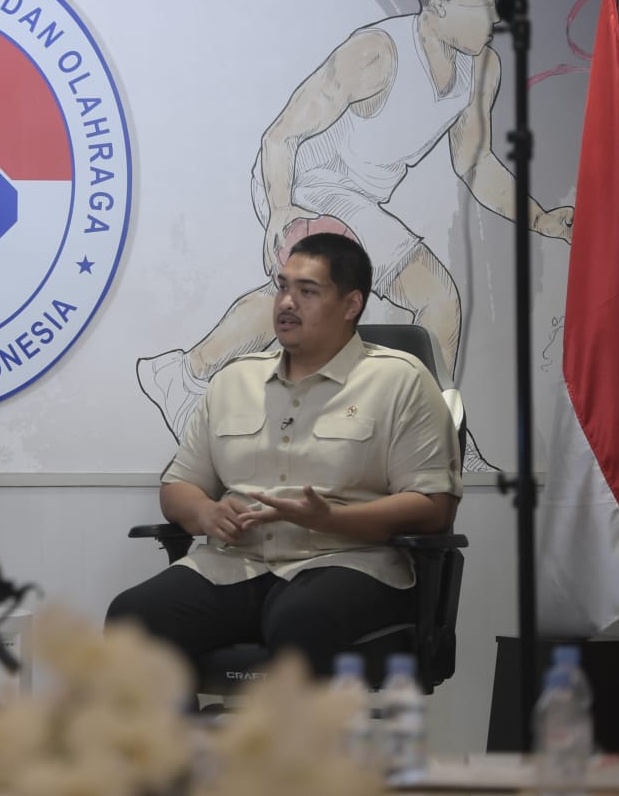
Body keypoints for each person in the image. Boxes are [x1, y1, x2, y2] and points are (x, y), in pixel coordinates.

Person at [136, 0, 573, 471]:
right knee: (436, 297)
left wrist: (541, 219)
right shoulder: (376, 53)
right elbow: (281, 137)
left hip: (357, 196)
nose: (496, 16)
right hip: (301, 182)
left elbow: (475, 162)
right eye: (483, 4)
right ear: (438, 7)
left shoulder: (482, 68)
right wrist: (280, 212)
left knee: (308, 298)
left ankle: (182, 371)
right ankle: (438, 442)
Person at [109, 233, 462, 683]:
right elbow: (178, 489)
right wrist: (206, 512)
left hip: (348, 562)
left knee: (300, 617)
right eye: (282, 286)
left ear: (351, 304)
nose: (286, 302)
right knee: (134, 617)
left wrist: (329, 518)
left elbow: (434, 507)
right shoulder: (234, 380)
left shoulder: (400, 380)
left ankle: (291, 754)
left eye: (307, 291)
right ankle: (174, 751)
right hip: (235, 564)